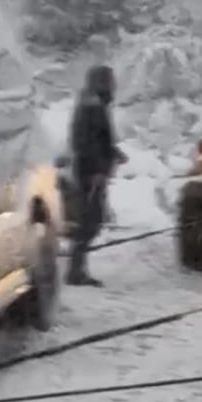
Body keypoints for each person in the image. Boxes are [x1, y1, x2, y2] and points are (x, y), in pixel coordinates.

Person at [67, 63, 124, 286]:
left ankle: (77, 268)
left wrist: (113, 152)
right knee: (89, 220)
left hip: (91, 170)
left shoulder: (95, 104)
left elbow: (98, 138)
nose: (113, 84)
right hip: (90, 172)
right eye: (109, 80)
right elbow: (85, 142)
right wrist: (97, 170)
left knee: (91, 219)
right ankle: (75, 270)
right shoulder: (91, 106)